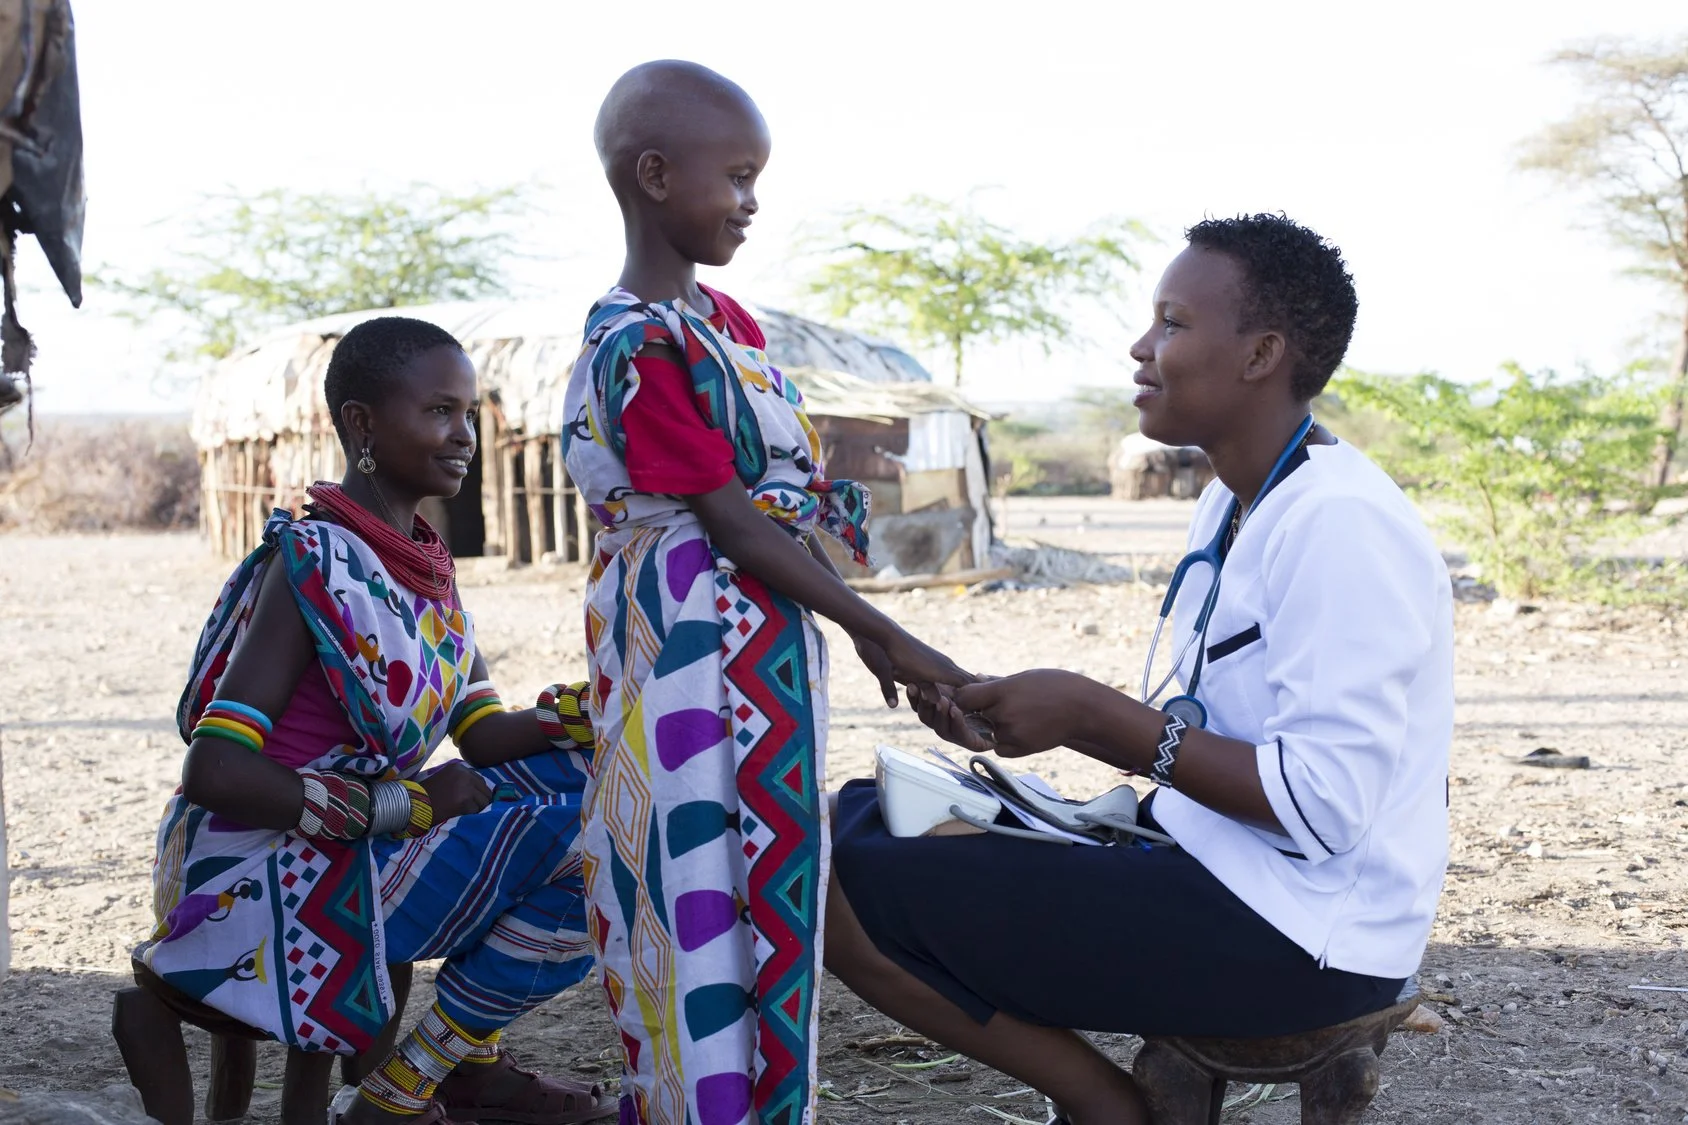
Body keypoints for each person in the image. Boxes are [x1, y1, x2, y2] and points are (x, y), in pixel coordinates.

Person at [824, 215, 1454, 1125]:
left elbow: (1323, 804)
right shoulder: (1232, 502)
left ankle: (1105, 1109)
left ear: (1261, 355)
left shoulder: (1341, 524)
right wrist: (1028, 722)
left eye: (1173, 323)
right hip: (1212, 863)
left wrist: (1092, 717)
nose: (1140, 346)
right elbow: (1201, 731)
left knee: (843, 881)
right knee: (858, 818)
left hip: (1303, 935)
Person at [563, 60, 972, 1125]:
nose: (751, 202)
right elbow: (730, 522)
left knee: (774, 881)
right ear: (655, 175)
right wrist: (887, 632)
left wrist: (857, 629)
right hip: (689, 657)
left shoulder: (729, 325)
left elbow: (770, 517)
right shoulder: (635, 344)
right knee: (698, 888)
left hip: (768, 650)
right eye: (737, 177)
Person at [139, 316, 614, 1125]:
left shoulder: (422, 564)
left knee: (611, 785)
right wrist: (406, 804)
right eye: (439, 411)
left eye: (470, 414)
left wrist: (598, 711)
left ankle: (459, 1068)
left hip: (357, 845)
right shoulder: (315, 565)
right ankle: (412, 1082)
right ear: (361, 423)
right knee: (601, 842)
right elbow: (214, 769)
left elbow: (483, 733)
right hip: (273, 869)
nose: (464, 435)